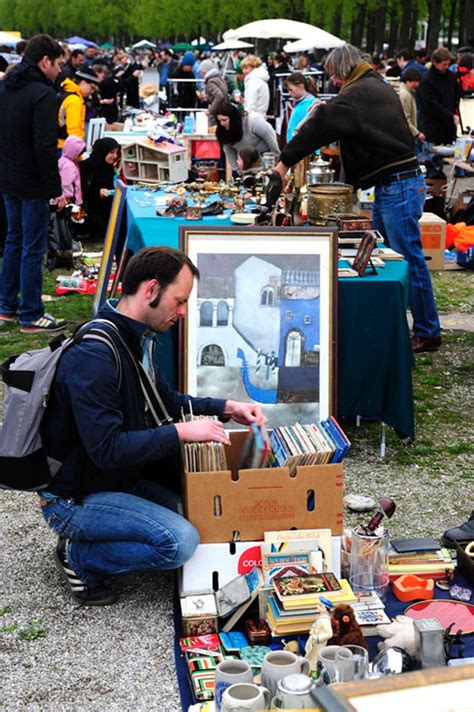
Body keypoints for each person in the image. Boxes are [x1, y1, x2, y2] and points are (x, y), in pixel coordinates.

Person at [40, 245, 265, 605]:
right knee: (181, 542)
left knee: (200, 518)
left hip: (117, 481)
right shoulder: (95, 356)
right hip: (75, 498)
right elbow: (107, 449)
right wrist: (180, 432)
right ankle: (80, 557)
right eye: (179, 301)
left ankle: (101, 538)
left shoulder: (135, 338)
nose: (183, 312)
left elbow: (166, 401)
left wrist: (226, 407)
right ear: (151, 290)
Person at [275, 44, 442, 354]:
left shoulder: (356, 94)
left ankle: (428, 330)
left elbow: (320, 126)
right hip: (397, 184)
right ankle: (400, 324)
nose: (333, 83)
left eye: (333, 77)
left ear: (342, 71)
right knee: (390, 260)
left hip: (398, 186)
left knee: (408, 259)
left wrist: (284, 162)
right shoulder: (374, 85)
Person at [0, 34, 68, 333]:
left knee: (14, 242)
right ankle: (30, 313)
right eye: (58, 65)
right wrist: (55, 188)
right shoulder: (43, 94)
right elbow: (45, 146)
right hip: (30, 181)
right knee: (32, 247)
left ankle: (7, 306)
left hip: (8, 177)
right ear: (45, 61)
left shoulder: (6, 85)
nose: (60, 71)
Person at [215, 103, 280, 175]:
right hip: (244, 159)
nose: (221, 124)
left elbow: (270, 138)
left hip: (264, 155)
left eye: (224, 120)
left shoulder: (254, 121)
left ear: (233, 118)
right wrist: (235, 170)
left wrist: (277, 157)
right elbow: (229, 150)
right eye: (219, 121)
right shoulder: (223, 131)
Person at [418, 47, 461, 145]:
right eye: (444, 64)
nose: (446, 67)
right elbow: (430, 105)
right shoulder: (426, 80)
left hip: (449, 127)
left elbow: (457, 96)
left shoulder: (451, 76)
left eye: (448, 64)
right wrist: (450, 116)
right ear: (435, 62)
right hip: (433, 127)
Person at [80, 137, 120, 240]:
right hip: (90, 208)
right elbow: (81, 190)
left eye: (116, 153)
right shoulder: (87, 166)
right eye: (111, 153)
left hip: (106, 207)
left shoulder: (108, 167)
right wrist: (97, 193)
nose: (115, 156)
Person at [57, 68, 100, 148]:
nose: (92, 92)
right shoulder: (74, 100)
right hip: (66, 148)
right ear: (83, 82)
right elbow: (74, 131)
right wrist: (78, 151)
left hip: (60, 144)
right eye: (92, 87)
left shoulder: (65, 93)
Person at [285, 72, 320, 141]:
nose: (289, 93)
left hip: (302, 149)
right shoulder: (302, 104)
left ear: (300, 86)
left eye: (291, 90)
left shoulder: (309, 105)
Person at [197, 58, 228, 126]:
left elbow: (219, 96)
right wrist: (207, 98)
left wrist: (209, 110)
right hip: (224, 110)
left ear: (204, 71)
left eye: (200, 72)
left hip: (217, 112)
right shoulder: (219, 79)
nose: (200, 74)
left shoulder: (211, 82)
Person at [399, 68, 425, 142]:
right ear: (408, 81)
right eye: (415, 82)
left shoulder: (407, 91)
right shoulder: (405, 95)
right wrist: (417, 133)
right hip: (408, 135)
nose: (417, 85)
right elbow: (405, 118)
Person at [58, 135, 85, 206]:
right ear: (74, 153)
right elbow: (66, 183)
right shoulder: (69, 166)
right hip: (68, 200)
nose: (81, 157)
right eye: (79, 154)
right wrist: (68, 196)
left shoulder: (63, 159)